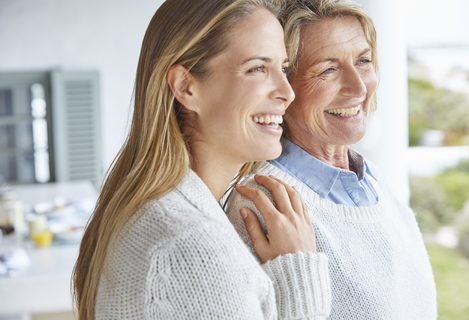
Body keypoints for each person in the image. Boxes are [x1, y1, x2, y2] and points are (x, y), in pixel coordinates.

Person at [72, 0, 332, 319]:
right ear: (186, 86)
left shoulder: (156, 211)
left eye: (283, 68)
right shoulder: (191, 247)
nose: (287, 92)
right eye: (257, 68)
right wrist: (299, 275)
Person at [226, 0, 437, 319]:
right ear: (282, 86)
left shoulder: (373, 180)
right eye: (327, 69)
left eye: (363, 61)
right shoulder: (265, 206)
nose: (358, 87)